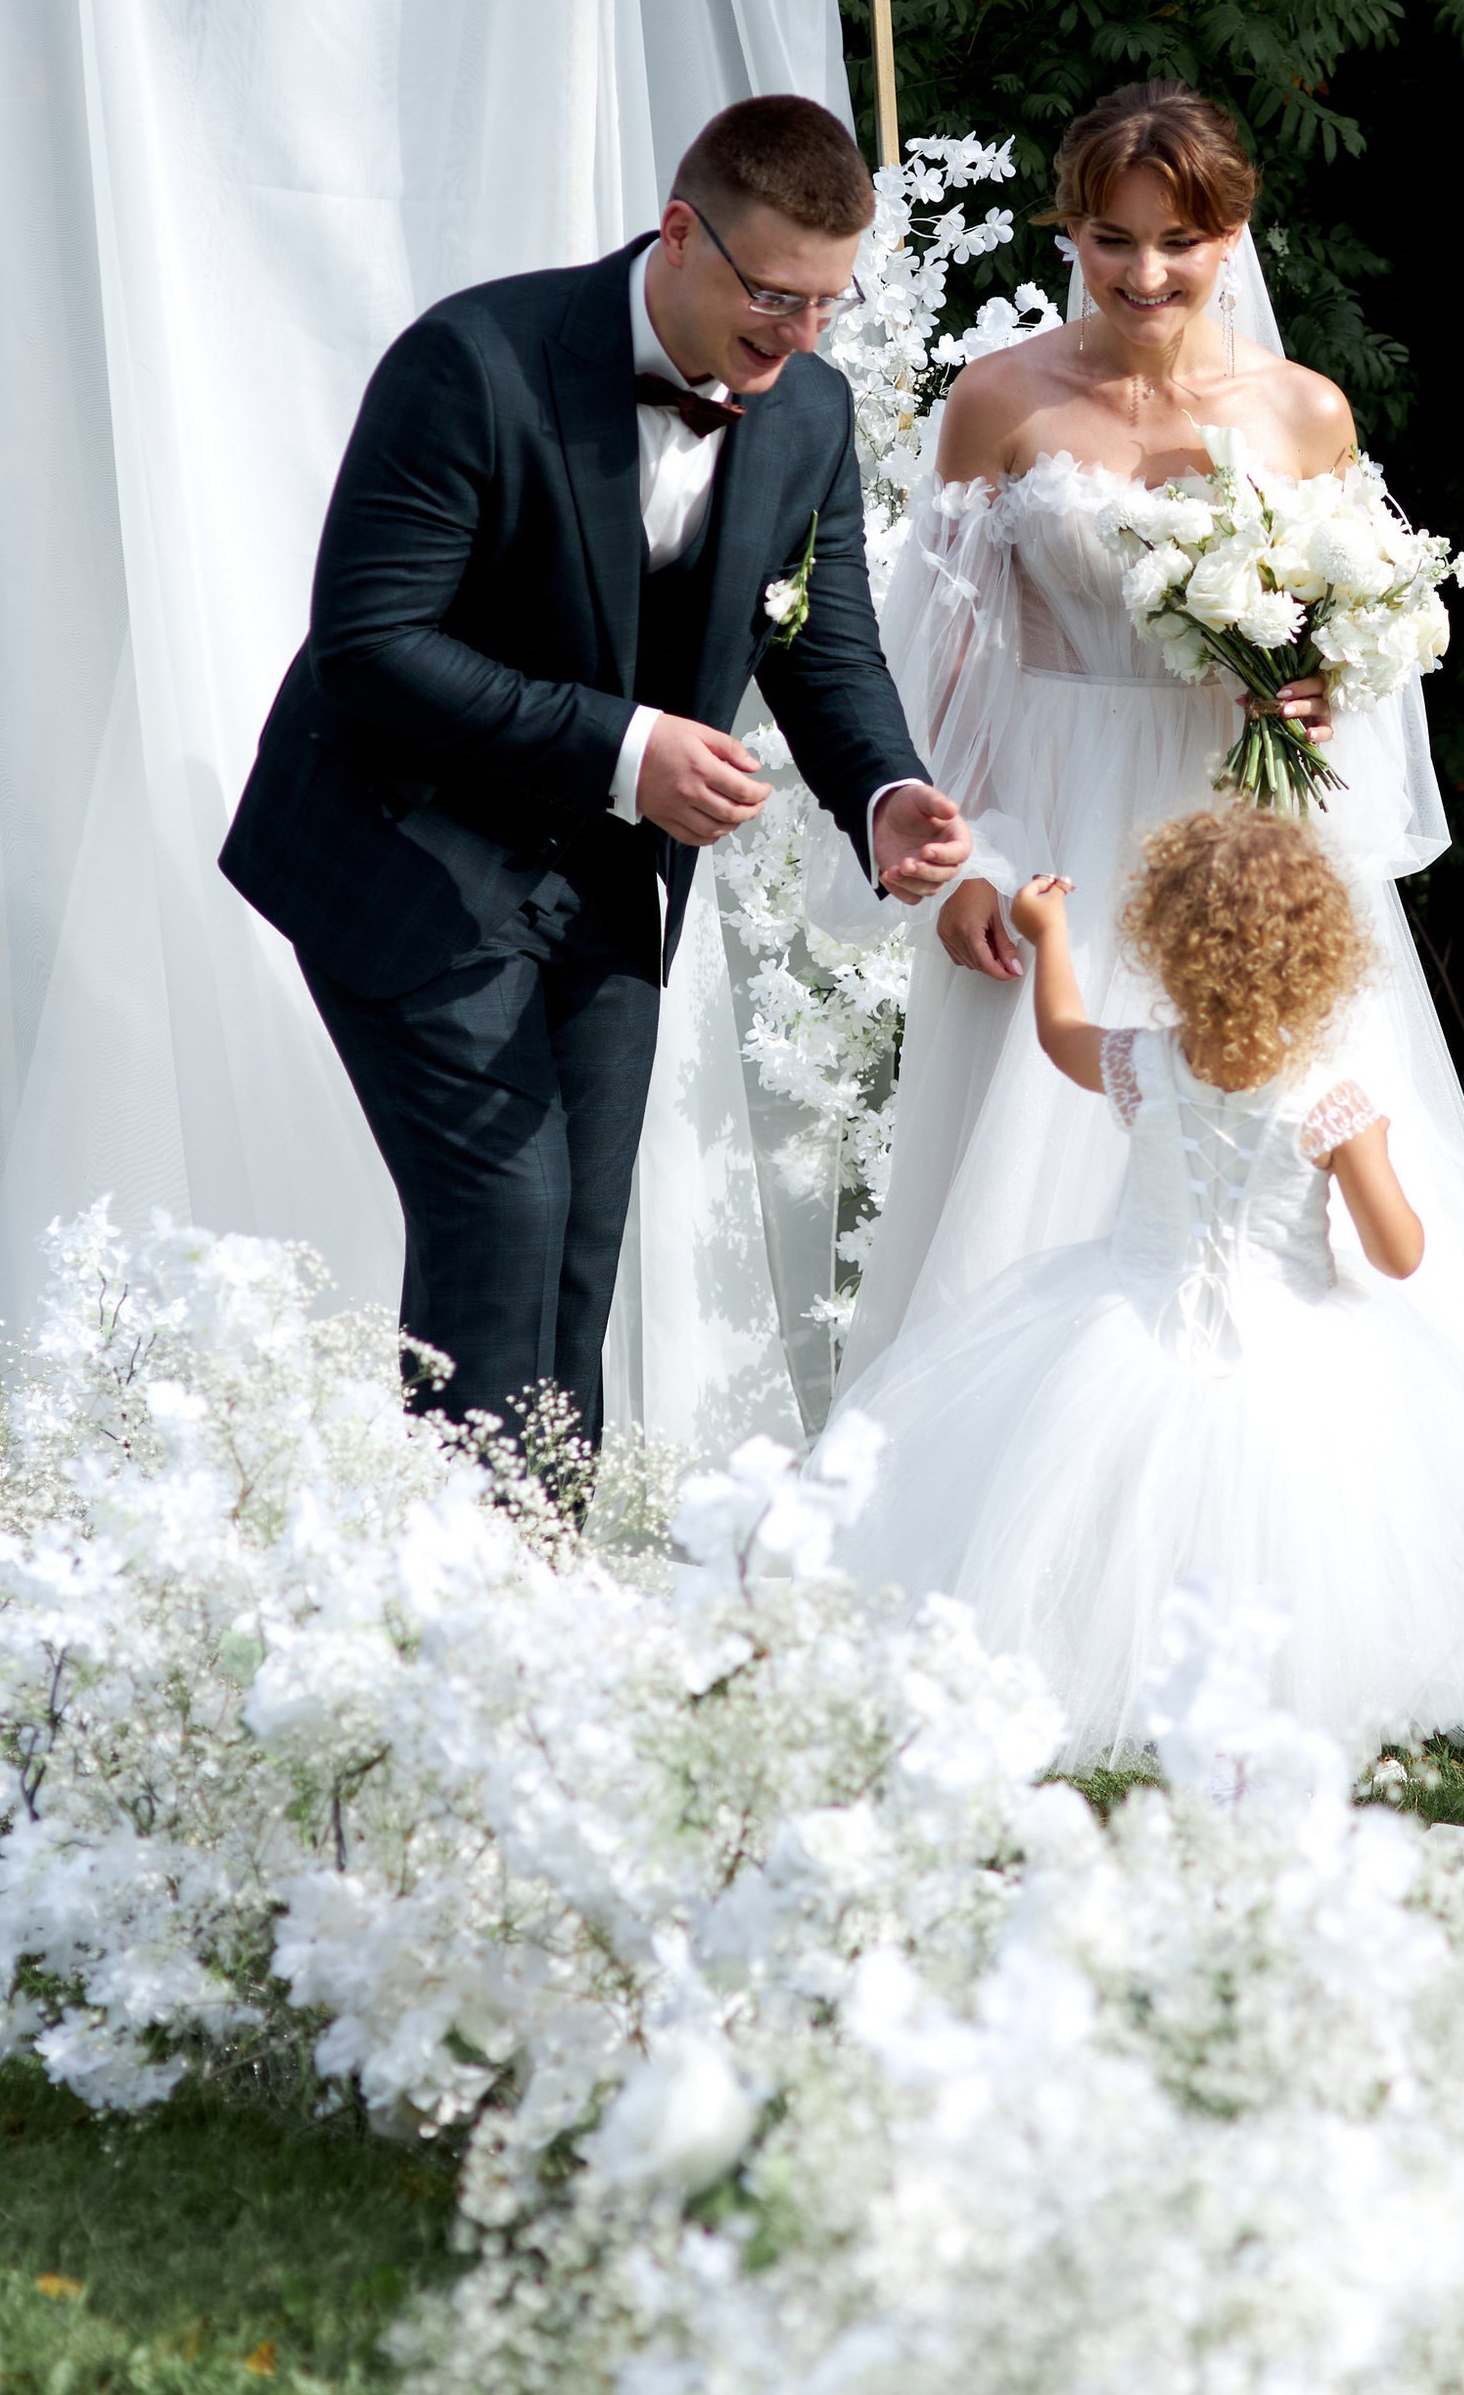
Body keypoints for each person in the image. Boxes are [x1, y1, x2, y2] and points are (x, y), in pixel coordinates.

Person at [222, 94, 970, 1450]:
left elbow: (826, 646)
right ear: (680, 232)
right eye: (773, 297)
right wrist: (625, 747)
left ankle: (527, 1605)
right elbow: (369, 643)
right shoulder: (474, 362)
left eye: (827, 304)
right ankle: (480, 1615)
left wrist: (883, 792)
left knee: (574, 1256)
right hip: (403, 843)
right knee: (502, 1214)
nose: (801, 338)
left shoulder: (807, 411)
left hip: (611, 882)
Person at [829, 79, 1464, 1418]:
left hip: (1246, 850)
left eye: (1178, 239)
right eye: (1109, 236)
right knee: (1028, 1167)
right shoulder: (998, 400)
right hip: (1057, 831)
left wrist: (1323, 691)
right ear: (1070, 233)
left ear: (1232, 234)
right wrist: (968, 862)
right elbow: (942, 670)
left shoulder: (1305, 413)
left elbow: (1362, 641)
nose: (1143, 271)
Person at [834, 812, 1464, 1761]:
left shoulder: (1145, 1063)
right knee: (1309, 1524)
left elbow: (1063, 1034)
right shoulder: (1334, 1100)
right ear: (1322, 955)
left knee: (1123, 1502)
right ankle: (1285, 1666)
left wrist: (1052, 937)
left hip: (1123, 1324)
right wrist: (1376, 1170)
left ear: (1165, 941)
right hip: (1297, 1344)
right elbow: (1399, 1252)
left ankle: (1130, 1653)